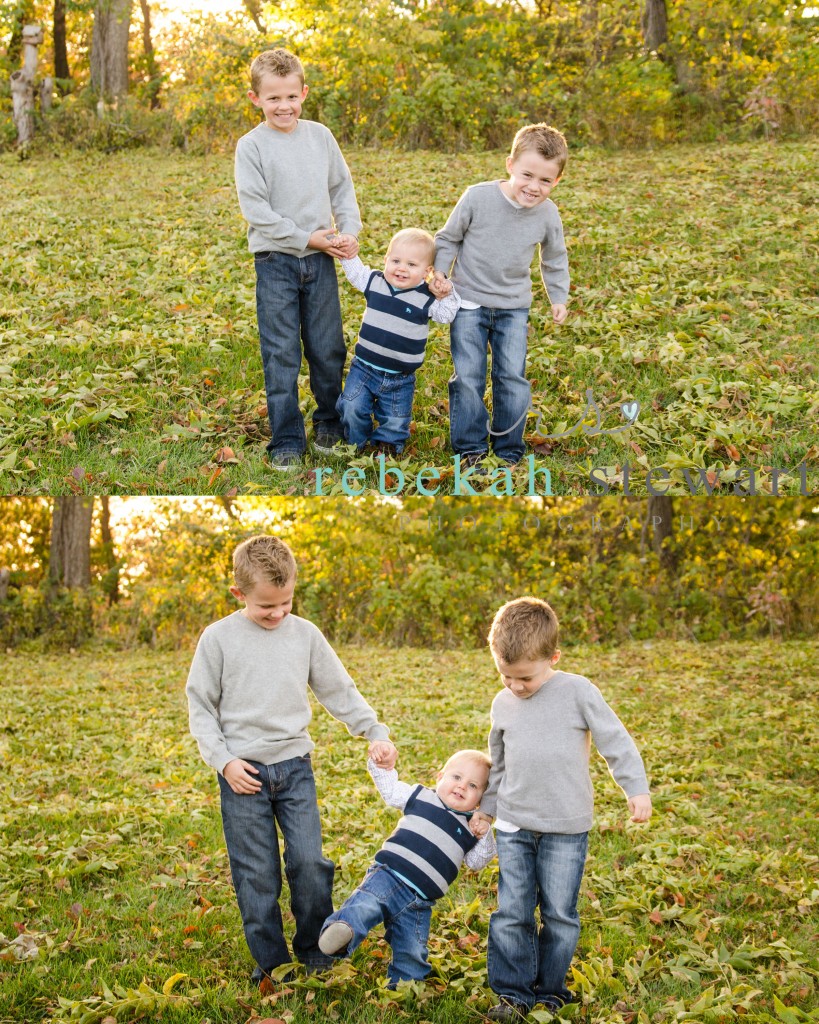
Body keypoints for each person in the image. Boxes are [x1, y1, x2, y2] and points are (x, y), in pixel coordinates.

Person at [186, 534, 397, 990]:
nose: (279, 614)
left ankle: (313, 950)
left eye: (286, 603)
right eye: (267, 607)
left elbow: (338, 690)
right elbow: (200, 707)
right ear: (238, 594)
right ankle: (271, 962)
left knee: (309, 863)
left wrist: (374, 731)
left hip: (294, 769)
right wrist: (223, 762)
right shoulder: (218, 639)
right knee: (256, 874)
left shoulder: (304, 635)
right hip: (242, 775)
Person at [477, 597, 652, 1021]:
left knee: (559, 913)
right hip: (514, 824)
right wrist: (486, 808)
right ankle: (513, 993)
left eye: (525, 678)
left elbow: (615, 739)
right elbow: (497, 762)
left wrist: (636, 787)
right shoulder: (503, 703)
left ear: (553, 657)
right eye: (506, 675)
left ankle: (551, 989)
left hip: (565, 827)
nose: (515, 686)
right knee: (512, 911)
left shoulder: (577, 692)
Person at [234, 48, 362, 470]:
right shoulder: (251, 147)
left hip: (321, 260)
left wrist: (349, 232)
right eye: (273, 98)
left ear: (303, 92)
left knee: (327, 348)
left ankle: (329, 420)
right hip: (276, 262)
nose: (283, 106)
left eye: (291, 96)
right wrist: (307, 237)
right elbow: (258, 213)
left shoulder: (319, 136)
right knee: (281, 353)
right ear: (255, 99)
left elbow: (341, 187)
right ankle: (287, 438)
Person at [433, 123, 571, 467]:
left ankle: (509, 450)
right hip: (467, 301)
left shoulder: (548, 214)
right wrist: (438, 272)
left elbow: (554, 257)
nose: (534, 187)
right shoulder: (478, 197)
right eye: (527, 174)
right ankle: (470, 449)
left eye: (545, 180)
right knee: (468, 376)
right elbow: (448, 237)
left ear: (557, 181)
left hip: (513, 307)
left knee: (511, 376)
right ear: (510, 164)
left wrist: (558, 296)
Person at [318, 749, 496, 987]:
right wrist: (380, 764)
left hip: (419, 902)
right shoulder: (421, 795)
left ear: (482, 799)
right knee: (366, 905)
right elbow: (391, 791)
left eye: (473, 785)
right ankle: (344, 929)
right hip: (388, 877)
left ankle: (403, 986)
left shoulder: (471, 828)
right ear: (440, 777)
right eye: (456, 777)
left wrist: (485, 832)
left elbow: (477, 862)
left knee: (412, 948)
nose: (462, 786)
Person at [336, 228, 460, 456]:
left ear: (427, 272)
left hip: (400, 377)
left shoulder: (426, 298)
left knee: (395, 418)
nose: (401, 268)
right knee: (352, 406)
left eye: (412, 265)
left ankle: (387, 445)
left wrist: (447, 293)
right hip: (364, 367)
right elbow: (355, 273)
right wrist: (347, 254)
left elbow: (447, 315)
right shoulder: (375, 282)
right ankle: (357, 440)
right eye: (395, 261)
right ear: (386, 260)